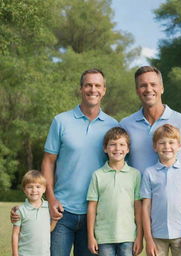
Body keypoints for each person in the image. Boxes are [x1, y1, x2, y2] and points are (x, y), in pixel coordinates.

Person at [11, 69, 118, 256]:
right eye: (88, 85)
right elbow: (48, 161)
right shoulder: (61, 121)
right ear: (80, 89)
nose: (93, 89)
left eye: (97, 85)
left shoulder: (113, 125)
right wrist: (51, 198)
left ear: (104, 90)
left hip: (95, 213)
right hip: (61, 212)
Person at [120, 66, 181, 245]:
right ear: (136, 90)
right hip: (143, 218)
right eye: (143, 85)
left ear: (162, 88)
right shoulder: (126, 125)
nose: (148, 89)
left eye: (153, 84)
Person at [141, 124, 181, 256]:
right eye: (162, 143)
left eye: (171, 142)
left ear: (179, 146)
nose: (167, 147)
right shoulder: (149, 173)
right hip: (157, 236)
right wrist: (148, 239)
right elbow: (145, 208)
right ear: (155, 147)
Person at [87, 127, 143, 256]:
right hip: (104, 237)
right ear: (105, 148)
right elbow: (91, 207)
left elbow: (138, 207)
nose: (117, 148)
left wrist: (139, 236)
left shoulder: (135, 175)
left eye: (122, 145)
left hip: (128, 237)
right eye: (112, 145)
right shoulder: (98, 175)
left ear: (128, 149)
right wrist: (91, 236)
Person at [12, 170, 51, 256]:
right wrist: (15, 254)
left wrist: (56, 219)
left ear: (44, 189)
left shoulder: (49, 207)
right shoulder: (20, 210)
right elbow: (15, 234)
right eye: (30, 187)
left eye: (38, 187)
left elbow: (49, 229)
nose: (34, 190)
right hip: (25, 254)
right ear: (24, 190)